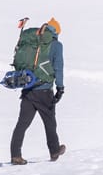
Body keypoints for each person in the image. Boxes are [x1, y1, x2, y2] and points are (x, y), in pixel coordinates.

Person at [9, 17, 66, 165]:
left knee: (22, 124)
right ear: (56, 32)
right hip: (44, 91)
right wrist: (60, 88)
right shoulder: (55, 45)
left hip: (28, 88)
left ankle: (15, 155)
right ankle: (54, 151)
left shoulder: (34, 42)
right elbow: (58, 67)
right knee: (49, 122)